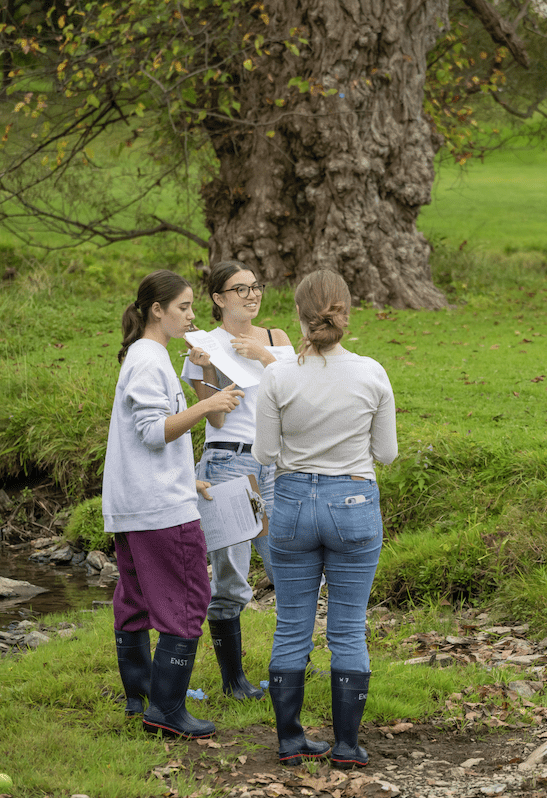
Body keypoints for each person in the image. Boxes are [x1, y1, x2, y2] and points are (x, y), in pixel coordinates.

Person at [254, 270, 398, 767]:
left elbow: (266, 453)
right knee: (348, 630)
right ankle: (346, 745)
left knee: (291, 627)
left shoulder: (277, 375)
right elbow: (388, 453)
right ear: (346, 312)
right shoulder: (371, 372)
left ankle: (291, 741)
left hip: (293, 502)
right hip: (353, 502)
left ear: (298, 314)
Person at [103, 269, 244, 739]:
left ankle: (139, 699)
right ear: (156, 310)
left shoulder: (149, 356)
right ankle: (167, 712)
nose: (191, 315)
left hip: (139, 503)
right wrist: (209, 404)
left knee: (138, 601)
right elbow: (151, 432)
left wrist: (192, 482)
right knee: (187, 600)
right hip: (159, 510)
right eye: (183, 307)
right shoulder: (148, 361)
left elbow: (142, 440)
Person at [182, 261, 294, 701]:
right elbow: (219, 414)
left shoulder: (277, 339)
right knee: (231, 577)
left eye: (256, 287)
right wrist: (210, 369)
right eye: (241, 288)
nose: (252, 295)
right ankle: (235, 681)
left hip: (278, 464)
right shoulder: (202, 345)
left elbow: (297, 394)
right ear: (218, 298)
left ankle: (290, 671)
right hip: (230, 464)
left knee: (288, 568)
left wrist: (265, 358)